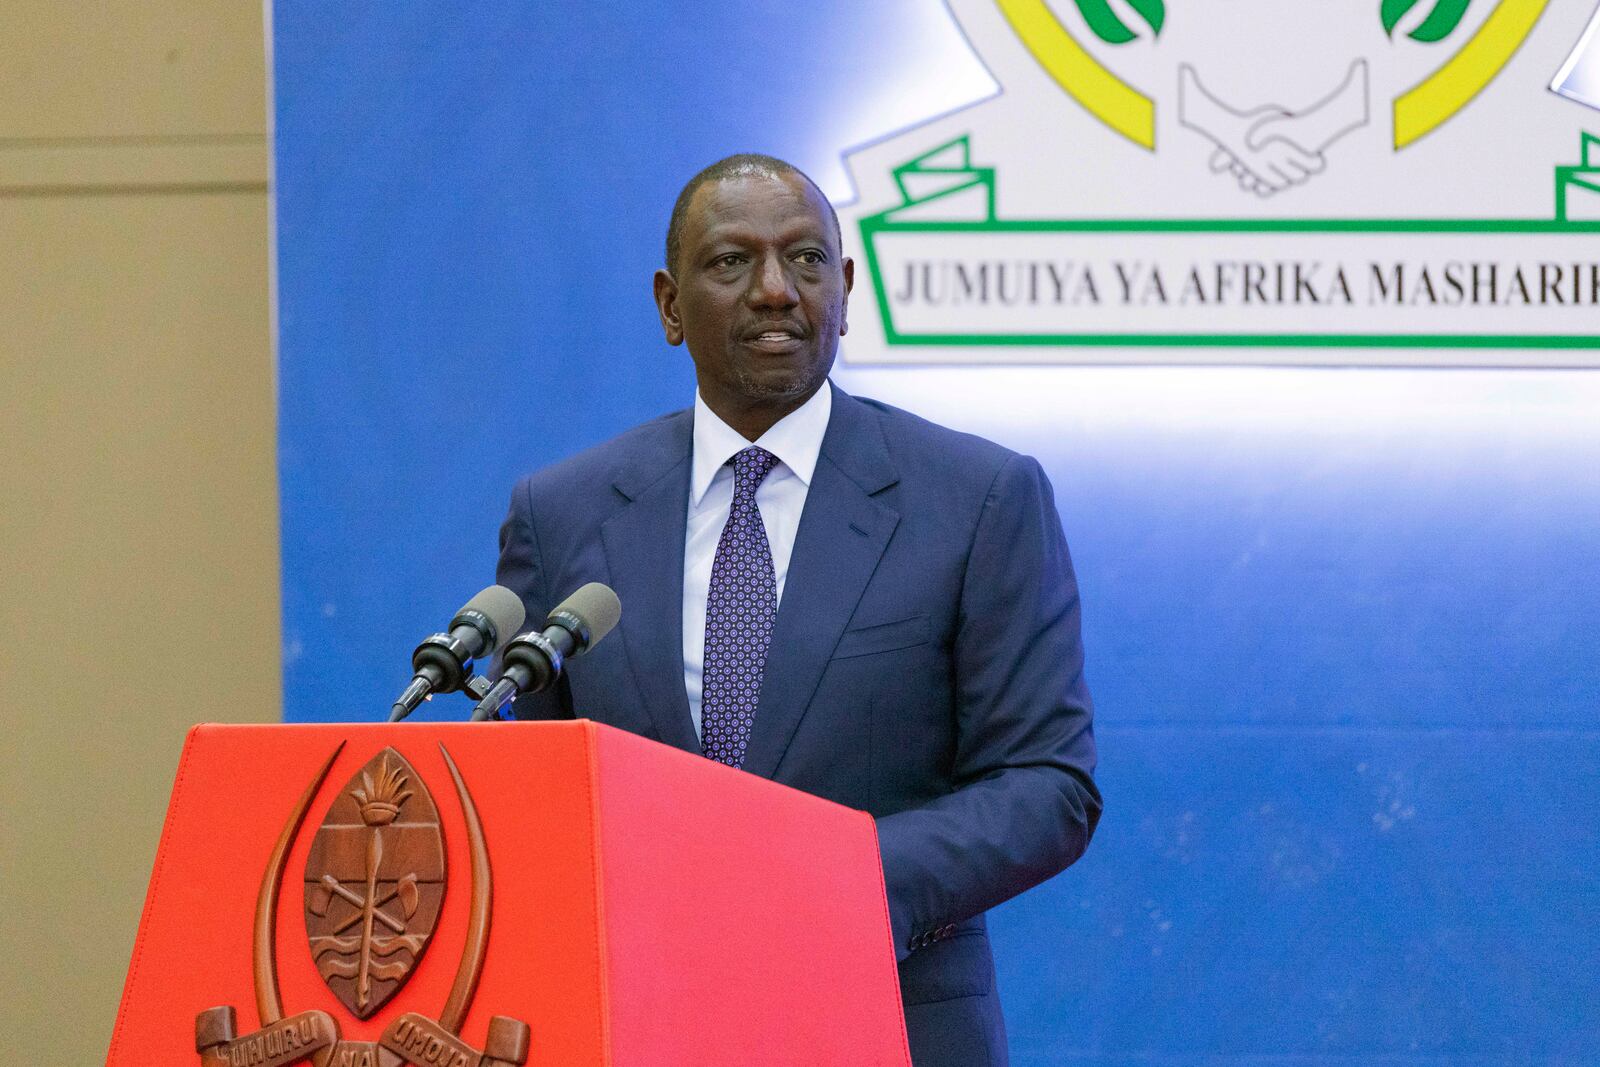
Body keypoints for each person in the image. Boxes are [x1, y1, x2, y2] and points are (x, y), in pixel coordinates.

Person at [495, 154, 1100, 1067]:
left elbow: (1049, 784)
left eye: (808, 260)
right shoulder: (565, 512)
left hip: (891, 1016)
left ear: (846, 292)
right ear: (668, 304)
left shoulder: (976, 498)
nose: (776, 290)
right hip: (635, 1024)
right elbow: (532, 793)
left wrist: (831, 877)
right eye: (732, 262)